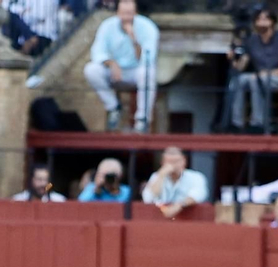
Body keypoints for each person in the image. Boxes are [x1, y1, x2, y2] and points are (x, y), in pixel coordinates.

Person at [83, 0, 158, 133]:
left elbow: (147, 58)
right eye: (123, 13)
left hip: (136, 71)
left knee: (148, 73)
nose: (126, 17)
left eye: (130, 13)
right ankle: (113, 107)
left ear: (136, 13)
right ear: (117, 13)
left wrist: (134, 39)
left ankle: (142, 120)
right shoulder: (107, 26)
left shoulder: (148, 27)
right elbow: (97, 52)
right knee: (91, 69)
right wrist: (111, 63)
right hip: (115, 72)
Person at [224, 6, 278, 134]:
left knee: (255, 80)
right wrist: (233, 59)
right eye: (258, 19)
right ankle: (236, 123)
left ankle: (257, 123)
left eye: (265, 19)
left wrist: (266, 73)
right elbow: (241, 66)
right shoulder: (252, 40)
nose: (261, 22)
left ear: (273, 22)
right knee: (238, 80)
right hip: (257, 76)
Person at [140, 145, 207, 217]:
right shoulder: (157, 176)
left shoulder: (195, 177)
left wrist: (179, 206)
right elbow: (148, 198)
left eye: (176, 162)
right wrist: (161, 175)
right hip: (159, 218)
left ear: (184, 161)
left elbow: (198, 195)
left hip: (188, 219)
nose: (173, 165)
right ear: (162, 163)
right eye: (169, 162)